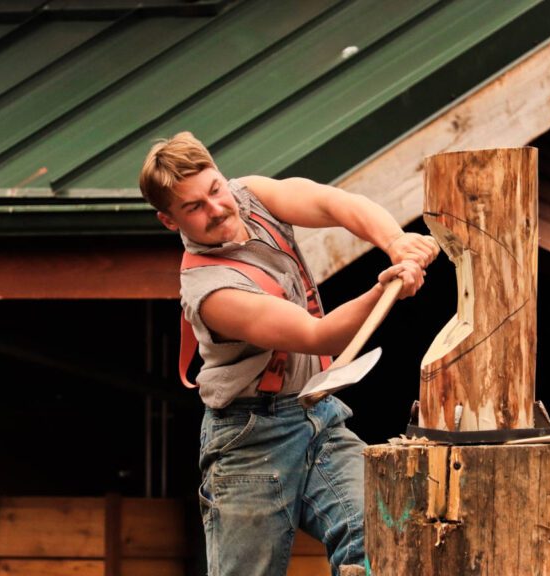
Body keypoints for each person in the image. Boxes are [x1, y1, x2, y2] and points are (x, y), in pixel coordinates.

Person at [139, 132, 438, 576]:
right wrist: (385, 288)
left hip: (318, 417)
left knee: (383, 534)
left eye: (215, 189)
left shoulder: (252, 196)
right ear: (170, 220)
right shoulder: (212, 292)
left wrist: (397, 242)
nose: (217, 208)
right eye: (194, 207)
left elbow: (334, 203)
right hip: (251, 438)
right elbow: (317, 336)